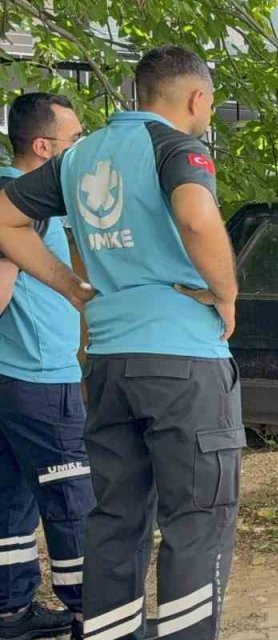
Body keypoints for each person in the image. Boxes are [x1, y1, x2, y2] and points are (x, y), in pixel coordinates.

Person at [0, 45, 243, 640]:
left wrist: (70, 286)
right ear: (197, 98)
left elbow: (4, 218)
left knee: (114, 520)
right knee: (196, 522)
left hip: (109, 363)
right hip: (185, 363)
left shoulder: (79, 156)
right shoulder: (176, 149)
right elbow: (195, 217)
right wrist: (226, 292)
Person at [0, 93, 92, 640]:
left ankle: (10, 610)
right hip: (38, 379)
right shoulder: (21, 204)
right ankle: (92, 615)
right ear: (43, 147)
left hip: (12, 378)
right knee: (71, 500)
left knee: (11, 498)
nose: (80, 149)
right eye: (74, 140)